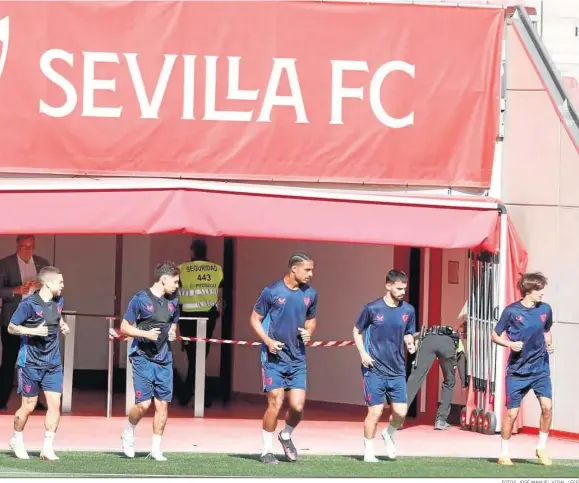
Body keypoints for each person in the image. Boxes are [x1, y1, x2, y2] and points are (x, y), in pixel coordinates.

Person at [249, 252, 317, 465]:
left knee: (297, 407)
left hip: (297, 359)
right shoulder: (271, 292)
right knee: (276, 402)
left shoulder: (311, 294)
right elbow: (254, 319)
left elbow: (311, 320)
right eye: (307, 270)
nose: (311, 274)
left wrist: (309, 332)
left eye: (312, 270)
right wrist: (268, 341)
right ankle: (266, 451)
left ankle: (286, 435)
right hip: (273, 358)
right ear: (293, 269)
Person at [353, 269, 416, 463]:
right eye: (398, 288)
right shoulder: (372, 308)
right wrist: (363, 354)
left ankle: (388, 434)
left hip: (396, 369)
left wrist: (410, 342)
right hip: (374, 369)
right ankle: (368, 452)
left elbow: (408, 332)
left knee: (400, 413)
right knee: (375, 411)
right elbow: (356, 331)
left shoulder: (408, 310)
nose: (402, 292)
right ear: (388, 286)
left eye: (404, 289)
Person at [7, 266, 69, 461]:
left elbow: (56, 316)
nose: (63, 285)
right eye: (60, 282)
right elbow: (11, 327)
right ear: (48, 283)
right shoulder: (29, 304)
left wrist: (62, 324)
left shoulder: (59, 301)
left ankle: (47, 447)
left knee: (54, 404)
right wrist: (32, 332)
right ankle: (17, 438)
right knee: (29, 406)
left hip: (53, 363)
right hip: (30, 362)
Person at [120, 261, 180, 461]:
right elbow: (124, 327)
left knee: (162, 404)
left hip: (164, 359)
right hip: (143, 357)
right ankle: (129, 430)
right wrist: (145, 334)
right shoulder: (140, 299)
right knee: (144, 405)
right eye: (175, 281)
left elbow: (173, 322)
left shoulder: (173, 300)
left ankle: (156, 449)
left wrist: (172, 332)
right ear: (163, 279)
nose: (177, 285)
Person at [491, 272, 554, 466]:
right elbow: (494, 335)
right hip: (517, 371)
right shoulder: (511, 312)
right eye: (539, 290)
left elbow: (546, 329)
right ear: (528, 291)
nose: (542, 293)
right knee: (512, 414)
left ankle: (541, 447)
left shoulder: (545, 309)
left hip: (540, 369)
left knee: (547, 407)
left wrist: (549, 344)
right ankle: (504, 453)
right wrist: (509, 344)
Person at [0, 235, 50, 410]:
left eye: (31, 247)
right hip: (12, 319)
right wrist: (16, 290)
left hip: (35, 319)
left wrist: (42, 287)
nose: (28, 250)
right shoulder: (6, 264)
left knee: (34, 362)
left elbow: (53, 288)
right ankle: (1, 399)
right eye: (24, 247)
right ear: (17, 246)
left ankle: (33, 401)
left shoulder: (42, 263)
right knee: (9, 360)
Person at [176, 239, 224, 408]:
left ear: (192, 252)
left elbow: (175, 291)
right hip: (208, 317)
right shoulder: (216, 269)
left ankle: (188, 394)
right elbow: (220, 291)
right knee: (200, 355)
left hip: (188, 317)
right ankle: (200, 395)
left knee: (193, 356)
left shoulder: (182, 269)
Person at [405, 324, 467, 430]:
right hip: (447, 344)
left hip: (429, 338)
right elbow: (461, 359)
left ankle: (398, 416)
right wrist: (464, 381)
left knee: (414, 378)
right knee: (449, 381)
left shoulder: (428, 334)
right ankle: (441, 420)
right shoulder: (457, 339)